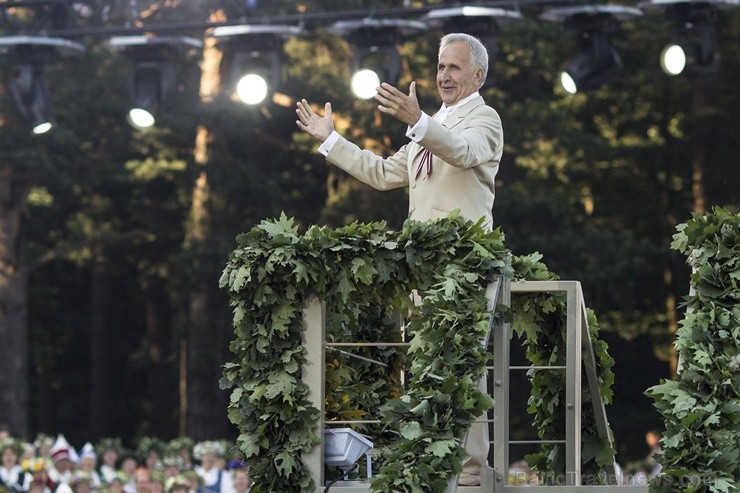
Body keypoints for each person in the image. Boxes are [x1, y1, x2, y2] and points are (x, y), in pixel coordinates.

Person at [297, 32, 503, 487]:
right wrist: (332, 140)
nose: (443, 75)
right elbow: (385, 173)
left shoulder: (483, 120)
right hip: (424, 269)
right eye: (440, 66)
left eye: (453, 67)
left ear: (477, 75)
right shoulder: (431, 126)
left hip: (465, 265)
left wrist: (419, 120)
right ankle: (430, 464)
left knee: (462, 368)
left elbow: (464, 153)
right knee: (424, 365)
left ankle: (470, 477)